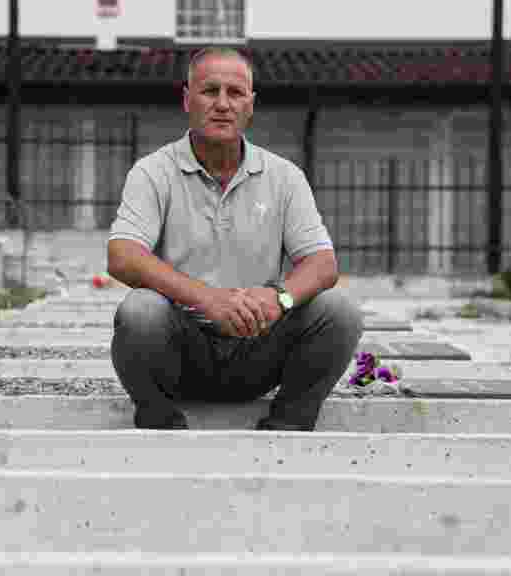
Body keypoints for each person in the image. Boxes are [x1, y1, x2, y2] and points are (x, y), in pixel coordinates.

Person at [106, 46, 364, 431]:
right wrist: (208, 299)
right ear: (187, 99)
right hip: (179, 354)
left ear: (251, 104)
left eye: (235, 92)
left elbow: (322, 264)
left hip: (259, 351)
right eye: (210, 91)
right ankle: (161, 424)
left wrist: (280, 298)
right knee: (139, 311)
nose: (223, 104)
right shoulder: (153, 172)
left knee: (339, 311)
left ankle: (288, 426)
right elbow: (122, 256)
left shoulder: (284, 177)